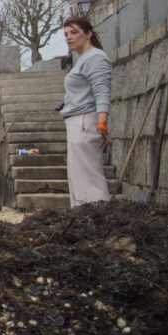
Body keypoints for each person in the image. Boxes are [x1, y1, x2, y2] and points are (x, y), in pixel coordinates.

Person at [60, 16, 112, 206]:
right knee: (79, 173)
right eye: (66, 34)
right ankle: (84, 213)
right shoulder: (83, 60)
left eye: (74, 32)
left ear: (88, 33)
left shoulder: (95, 58)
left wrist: (102, 120)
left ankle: (94, 211)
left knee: (87, 173)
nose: (69, 37)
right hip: (76, 120)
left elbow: (102, 90)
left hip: (84, 120)